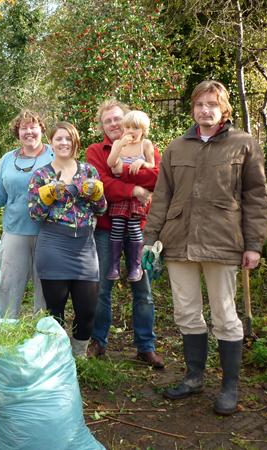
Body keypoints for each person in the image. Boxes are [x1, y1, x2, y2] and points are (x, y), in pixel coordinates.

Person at [144, 80, 267, 415]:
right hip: (178, 242)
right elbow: (162, 198)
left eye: (212, 104)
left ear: (223, 108)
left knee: (225, 316)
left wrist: (254, 244)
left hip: (224, 242)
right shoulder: (176, 148)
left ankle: (230, 387)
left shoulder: (244, 144)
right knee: (186, 313)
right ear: (193, 109)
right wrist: (149, 239)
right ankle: (194, 377)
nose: (205, 110)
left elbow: (256, 198)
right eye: (200, 104)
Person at [86, 99, 164, 369]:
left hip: (139, 229)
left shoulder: (148, 146)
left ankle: (146, 346)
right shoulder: (96, 151)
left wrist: (134, 175)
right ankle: (99, 341)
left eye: (117, 118)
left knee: (142, 289)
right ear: (102, 126)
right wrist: (133, 189)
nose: (114, 124)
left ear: (128, 118)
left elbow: (157, 178)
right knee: (102, 288)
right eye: (108, 121)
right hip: (107, 228)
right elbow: (101, 184)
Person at [28, 122, 107, 357]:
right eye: (59, 139)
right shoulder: (41, 175)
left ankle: (79, 356)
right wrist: (49, 196)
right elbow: (34, 214)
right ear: (51, 143)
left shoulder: (89, 171)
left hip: (84, 246)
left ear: (76, 143)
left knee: (87, 310)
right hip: (54, 245)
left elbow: (101, 209)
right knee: (55, 311)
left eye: (68, 139)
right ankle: (57, 358)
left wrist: (96, 195)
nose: (64, 143)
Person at [0, 109, 54, 318]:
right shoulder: (7, 159)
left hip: (49, 232)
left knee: (46, 291)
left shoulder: (55, 154)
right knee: (9, 288)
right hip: (15, 231)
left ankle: (43, 335)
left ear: (41, 129)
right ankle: (7, 333)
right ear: (18, 133)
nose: (29, 131)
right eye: (24, 128)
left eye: (33, 126)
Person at [106, 110, 156, 282]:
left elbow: (153, 166)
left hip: (136, 198)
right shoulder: (118, 144)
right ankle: (114, 265)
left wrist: (141, 162)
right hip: (122, 197)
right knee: (117, 227)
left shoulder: (146, 145)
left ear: (143, 130)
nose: (130, 131)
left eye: (135, 127)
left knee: (134, 228)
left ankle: (135, 266)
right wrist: (119, 146)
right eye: (126, 127)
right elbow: (111, 164)